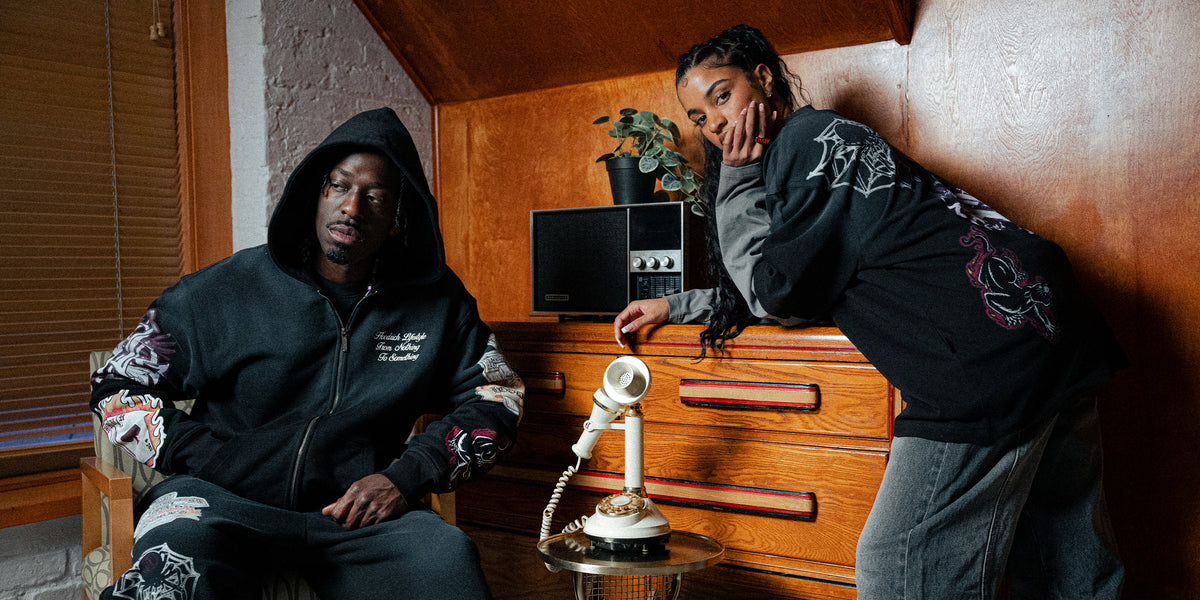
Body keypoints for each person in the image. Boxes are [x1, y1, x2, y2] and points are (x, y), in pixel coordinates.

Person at [614, 25, 1125, 599]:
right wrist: (679, 304)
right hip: (1050, 321)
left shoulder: (804, 144)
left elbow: (776, 294)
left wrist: (733, 180)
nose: (715, 123)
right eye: (700, 117)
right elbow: (817, 280)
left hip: (991, 354)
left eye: (723, 96)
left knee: (896, 566)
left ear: (763, 78)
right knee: (1063, 563)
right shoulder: (824, 138)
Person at [90, 107, 523, 600]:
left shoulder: (438, 302)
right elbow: (116, 386)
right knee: (167, 581)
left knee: (448, 563)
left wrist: (406, 477)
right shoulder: (225, 289)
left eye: (375, 197)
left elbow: (499, 396)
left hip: (356, 516)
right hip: (216, 502)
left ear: (398, 219)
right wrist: (213, 458)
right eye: (339, 186)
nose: (352, 208)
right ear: (316, 193)